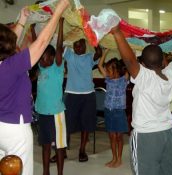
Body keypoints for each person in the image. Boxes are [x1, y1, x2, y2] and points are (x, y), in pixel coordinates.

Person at [110, 22, 172, 175]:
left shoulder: (144, 77)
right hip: (167, 134)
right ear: (162, 61)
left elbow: (130, 60)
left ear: (143, 64)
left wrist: (118, 33)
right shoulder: (170, 74)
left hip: (146, 137)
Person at [0, 1, 70, 175]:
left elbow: (7, 42)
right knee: (21, 170)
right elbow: (43, 41)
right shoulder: (12, 66)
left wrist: (23, 19)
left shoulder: (5, 64)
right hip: (15, 129)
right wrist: (58, 12)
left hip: (1, 127)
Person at [57, 25, 102, 161]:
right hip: (71, 94)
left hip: (88, 95)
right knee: (67, 124)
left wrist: (92, 35)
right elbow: (59, 47)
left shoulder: (89, 57)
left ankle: (82, 150)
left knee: (86, 124)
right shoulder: (70, 55)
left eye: (80, 45)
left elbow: (99, 52)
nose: (78, 48)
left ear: (85, 45)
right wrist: (61, 25)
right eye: (76, 46)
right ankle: (62, 151)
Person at [31, 17, 67, 175]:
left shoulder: (57, 67)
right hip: (43, 113)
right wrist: (32, 31)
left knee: (59, 146)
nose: (41, 60)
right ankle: (46, 172)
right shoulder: (41, 66)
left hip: (56, 114)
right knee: (45, 145)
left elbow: (58, 46)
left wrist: (60, 24)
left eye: (44, 57)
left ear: (52, 58)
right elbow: (36, 46)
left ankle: (60, 173)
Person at [98, 49, 129, 168]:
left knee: (119, 136)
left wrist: (123, 52)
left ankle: (119, 159)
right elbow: (100, 65)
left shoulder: (124, 79)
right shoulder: (108, 79)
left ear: (116, 70)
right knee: (111, 136)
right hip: (109, 111)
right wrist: (105, 52)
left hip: (119, 112)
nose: (107, 71)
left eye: (109, 70)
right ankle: (114, 158)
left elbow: (129, 64)